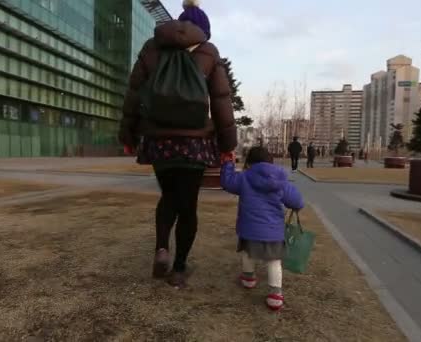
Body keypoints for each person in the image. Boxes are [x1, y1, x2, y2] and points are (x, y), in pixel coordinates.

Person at [119, 0, 236, 288]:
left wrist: (128, 136)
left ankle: (161, 249)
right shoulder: (208, 51)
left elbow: (133, 94)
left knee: (168, 196)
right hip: (195, 144)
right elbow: (222, 102)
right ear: (203, 30)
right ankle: (180, 269)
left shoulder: (151, 48)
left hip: (159, 142)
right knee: (188, 205)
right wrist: (227, 145)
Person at [220, 147, 304, 310]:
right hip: (273, 231)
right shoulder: (281, 180)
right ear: (271, 161)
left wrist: (228, 163)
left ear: (249, 162)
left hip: (249, 228)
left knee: (248, 253)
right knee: (274, 261)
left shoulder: (244, 177)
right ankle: (275, 294)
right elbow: (297, 202)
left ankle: (248, 278)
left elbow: (227, 182)